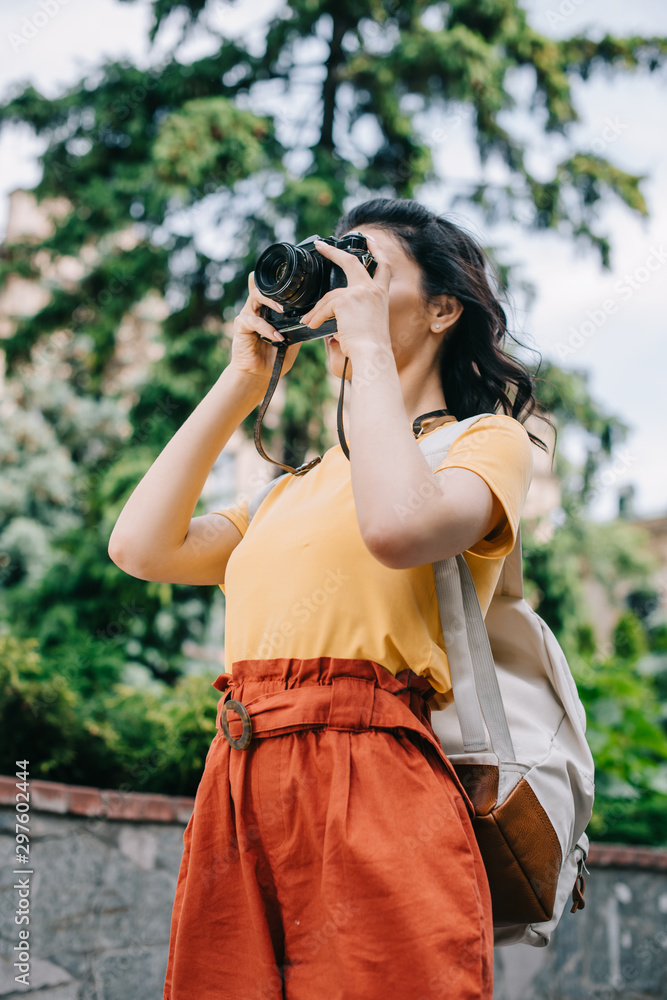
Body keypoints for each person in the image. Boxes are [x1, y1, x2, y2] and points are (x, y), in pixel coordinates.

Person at [108, 196, 544, 1000]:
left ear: (443, 308)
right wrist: (242, 380)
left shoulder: (482, 445)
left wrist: (370, 348)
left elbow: (396, 529)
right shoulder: (287, 492)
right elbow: (139, 546)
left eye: (365, 268)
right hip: (236, 773)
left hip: (372, 771)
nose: (343, 289)